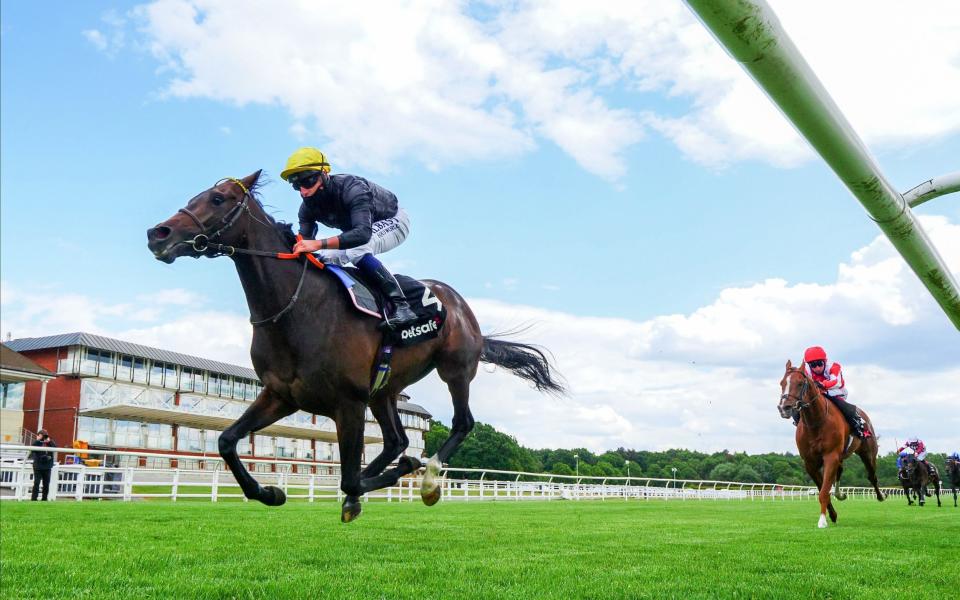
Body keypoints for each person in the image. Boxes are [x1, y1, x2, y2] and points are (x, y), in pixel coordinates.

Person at [281, 147, 418, 329]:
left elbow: (362, 234)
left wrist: (317, 243)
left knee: (356, 250)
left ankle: (402, 306)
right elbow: (304, 243)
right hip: (358, 232)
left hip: (393, 220)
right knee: (326, 259)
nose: (303, 191)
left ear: (324, 173)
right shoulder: (306, 208)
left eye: (307, 181)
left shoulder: (352, 188)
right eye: (297, 185)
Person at [799, 345, 871, 439]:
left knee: (843, 406)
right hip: (818, 393)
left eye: (819, 364)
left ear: (824, 361)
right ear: (809, 365)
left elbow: (835, 382)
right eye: (813, 365)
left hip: (835, 391)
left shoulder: (834, 366)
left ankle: (860, 426)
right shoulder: (806, 370)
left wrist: (822, 384)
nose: (817, 368)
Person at [28, 429, 57, 501]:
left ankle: (44, 499)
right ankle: (34, 499)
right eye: (41, 436)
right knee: (36, 483)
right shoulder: (37, 442)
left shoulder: (49, 442)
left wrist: (49, 441)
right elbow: (33, 449)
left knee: (46, 484)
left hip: (47, 466)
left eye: (44, 436)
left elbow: (55, 448)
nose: (43, 437)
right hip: (38, 466)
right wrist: (38, 440)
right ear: (38, 436)